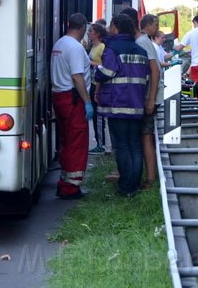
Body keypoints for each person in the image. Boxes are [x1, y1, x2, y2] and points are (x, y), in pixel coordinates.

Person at [94, 12, 150, 198]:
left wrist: (97, 72)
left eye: (111, 26)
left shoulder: (113, 48)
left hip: (117, 104)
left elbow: (108, 71)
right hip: (136, 105)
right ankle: (133, 185)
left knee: (122, 147)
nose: (109, 29)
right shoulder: (141, 51)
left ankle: (126, 187)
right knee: (134, 145)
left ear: (116, 27)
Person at [51, 13, 93, 199]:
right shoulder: (75, 48)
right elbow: (77, 77)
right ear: (83, 27)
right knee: (77, 142)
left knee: (66, 141)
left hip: (59, 96)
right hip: (73, 99)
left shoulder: (59, 44)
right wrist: (88, 102)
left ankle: (65, 180)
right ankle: (71, 187)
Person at [135, 13, 162, 189]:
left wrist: (150, 99)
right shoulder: (145, 41)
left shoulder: (143, 42)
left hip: (149, 98)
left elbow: (155, 71)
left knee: (146, 138)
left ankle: (151, 178)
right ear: (148, 25)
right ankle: (150, 175)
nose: (157, 28)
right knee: (147, 138)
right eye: (156, 25)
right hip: (149, 97)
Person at [86, 22, 109, 155]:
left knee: (99, 115)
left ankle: (102, 143)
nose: (89, 33)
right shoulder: (92, 46)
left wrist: (90, 63)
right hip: (93, 82)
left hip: (98, 82)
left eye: (91, 31)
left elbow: (103, 65)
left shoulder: (101, 47)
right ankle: (99, 141)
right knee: (95, 115)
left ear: (98, 34)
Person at [175, 15, 198, 93]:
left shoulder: (190, 33)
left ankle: (196, 104)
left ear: (195, 22)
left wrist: (174, 47)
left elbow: (179, 48)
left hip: (195, 65)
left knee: (194, 90)